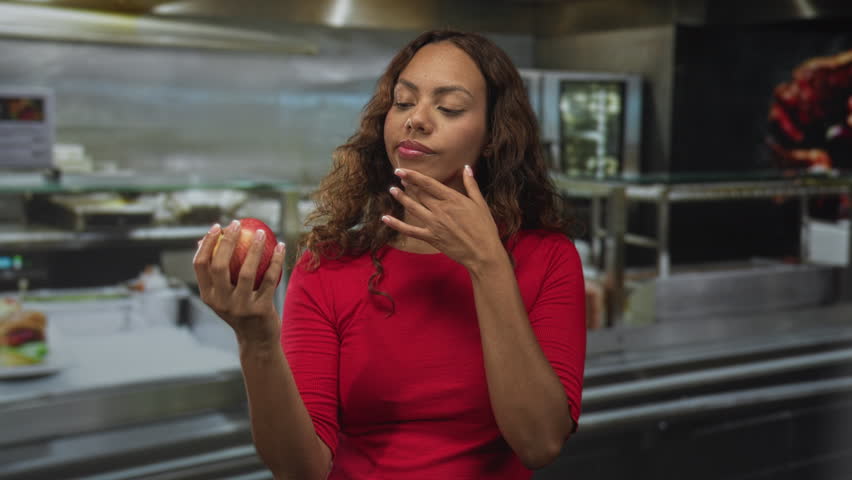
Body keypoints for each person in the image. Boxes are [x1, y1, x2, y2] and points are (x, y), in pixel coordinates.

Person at [194, 29, 586, 480]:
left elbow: (539, 443)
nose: (416, 119)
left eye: (449, 107)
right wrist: (256, 340)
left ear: (494, 135)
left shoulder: (549, 259)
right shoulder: (329, 264)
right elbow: (301, 470)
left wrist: (487, 263)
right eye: (403, 102)